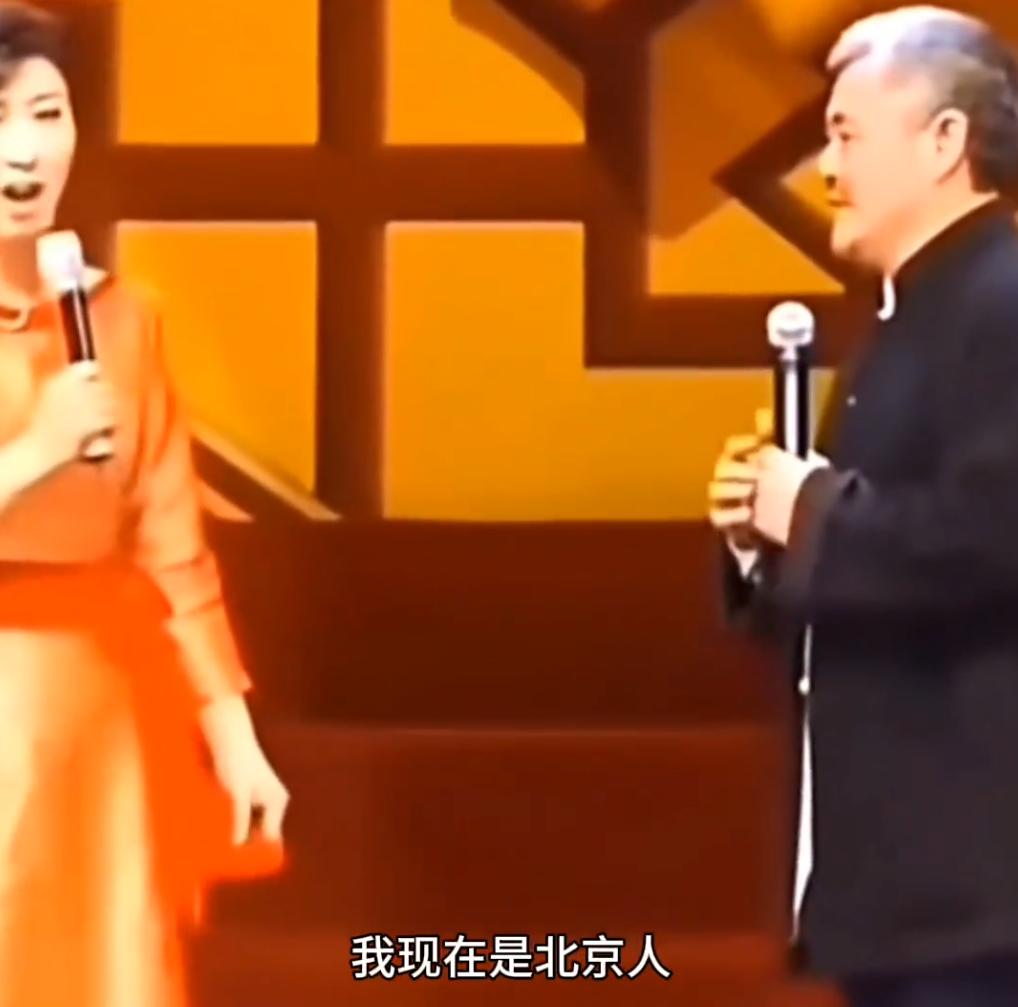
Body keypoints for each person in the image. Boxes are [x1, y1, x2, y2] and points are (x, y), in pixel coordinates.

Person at [708, 6, 1018, 1006]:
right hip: (906, 881)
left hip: (978, 881)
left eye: (845, 135)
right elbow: (875, 552)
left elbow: (990, 536)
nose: (826, 168)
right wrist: (762, 537)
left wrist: (810, 508)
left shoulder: (1003, 303)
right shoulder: (907, 319)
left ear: (944, 141)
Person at [0, 3, 289, 1005]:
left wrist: (232, 733)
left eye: (46, 115)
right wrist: (36, 453)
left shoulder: (122, 321)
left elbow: (174, 547)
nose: (25, 150)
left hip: (103, 711)